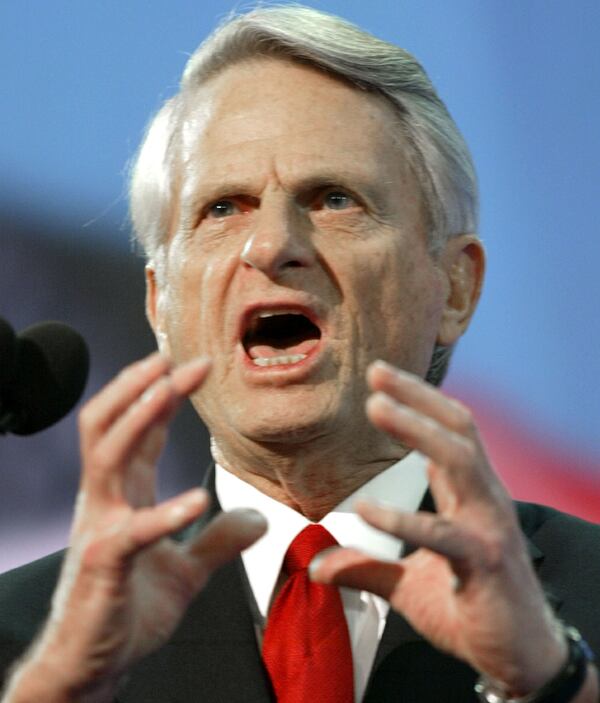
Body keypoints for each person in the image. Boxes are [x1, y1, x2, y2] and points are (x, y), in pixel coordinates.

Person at [1, 5, 598, 702]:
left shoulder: (581, 603)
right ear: (159, 301)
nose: (271, 244)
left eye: (334, 199)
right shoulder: (29, 642)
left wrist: (554, 683)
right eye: (223, 207)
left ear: (456, 286)